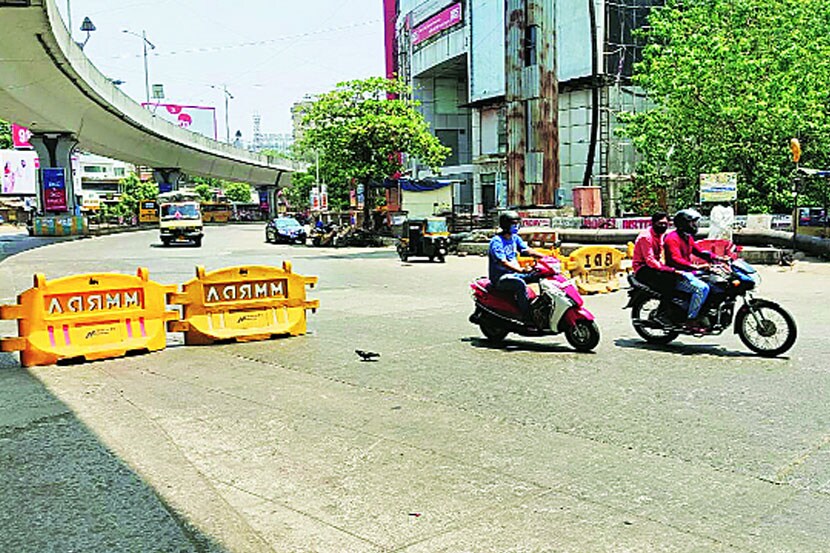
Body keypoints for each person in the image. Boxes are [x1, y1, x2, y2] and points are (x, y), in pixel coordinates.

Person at [664, 209, 725, 327]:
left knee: (715, 282)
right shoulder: (672, 238)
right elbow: (676, 259)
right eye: (692, 223)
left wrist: (719, 258)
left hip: (689, 272)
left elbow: (700, 252)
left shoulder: (687, 237)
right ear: (684, 223)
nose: (695, 225)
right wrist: (698, 266)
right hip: (677, 275)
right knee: (702, 288)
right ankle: (691, 319)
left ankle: (706, 311)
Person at [488, 210, 545, 322]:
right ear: (505, 225)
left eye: (517, 224)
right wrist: (521, 270)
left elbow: (527, 250)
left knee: (540, 275)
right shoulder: (497, 241)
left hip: (516, 274)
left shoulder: (515, 238)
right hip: (501, 278)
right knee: (520, 285)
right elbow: (502, 262)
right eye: (513, 224)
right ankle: (526, 315)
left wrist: (546, 257)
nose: (516, 227)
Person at [631, 211, 677, 296]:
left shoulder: (659, 235)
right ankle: (665, 306)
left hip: (653, 266)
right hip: (642, 268)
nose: (663, 226)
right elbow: (650, 260)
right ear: (653, 223)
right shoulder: (646, 237)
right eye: (660, 223)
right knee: (668, 281)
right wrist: (666, 269)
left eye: (665, 224)